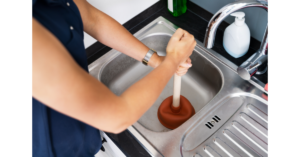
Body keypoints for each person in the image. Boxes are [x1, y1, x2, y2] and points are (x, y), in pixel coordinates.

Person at [31, 0, 196, 156]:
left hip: (82, 131)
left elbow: (93, 19)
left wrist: (157, 61)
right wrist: (172, 61)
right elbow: (117, 117)